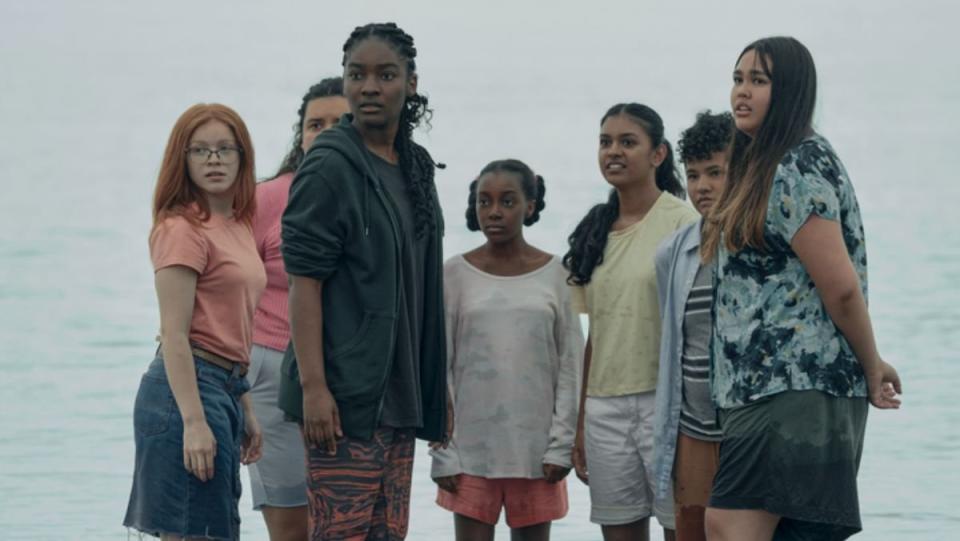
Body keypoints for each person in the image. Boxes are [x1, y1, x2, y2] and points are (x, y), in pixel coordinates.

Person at [700, 37, 902, 541]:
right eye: (738, 78)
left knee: (728, 527)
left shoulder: (797, 166)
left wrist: (873, 363)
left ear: (789, 91)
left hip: (793, 386)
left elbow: (841, 288)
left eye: (759, 81)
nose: (741, 93)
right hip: (771, 390)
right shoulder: (770, 162)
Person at [277, 22, 448, 541]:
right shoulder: (329, 166)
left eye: (385, 74)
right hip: (343, 396)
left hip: (398, 393)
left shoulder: (415, 165)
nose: (370, 86)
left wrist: (435, 385)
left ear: (410, 83)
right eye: (358, 74)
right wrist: (314, 389)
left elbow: (420, 286)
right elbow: (304, 283)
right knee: (339, 533)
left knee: (386, 534)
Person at [123, 103, 265, 541]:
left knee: (217, 528)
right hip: (184, 392)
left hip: (226, 386)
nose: (214, 159)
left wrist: (244, 405)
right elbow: (175, 335)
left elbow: (231, 325)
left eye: (225, 148)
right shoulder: (181, 229)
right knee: (194, 532)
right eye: (200, 151)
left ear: (242, 156)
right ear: (182, 160)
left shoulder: (237, 224)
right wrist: (194, 422)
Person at [565, 103, 699, 541]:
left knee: (681, 529)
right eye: (605, 142)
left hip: (668, 405)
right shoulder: (596, 230)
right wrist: (582, 421)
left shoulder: (683, 223)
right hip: (604, 408)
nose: (613, 152)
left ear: (658, 154)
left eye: (628, 142)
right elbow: (595, 336)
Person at [431, 159, 583, 541]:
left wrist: (561, 447)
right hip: (469, 453)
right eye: (484, 202)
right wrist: (444, 452)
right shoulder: (454, 274)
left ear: (530, 206)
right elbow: (439, 367)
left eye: (507, 201)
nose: (494, 212)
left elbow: (571, 366)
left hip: (537, 453)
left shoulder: (557, 274)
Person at [246, 77, 349, 541]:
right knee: (291, 527)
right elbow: (225, 279)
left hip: (348, 378)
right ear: (300, 134)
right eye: (314, 124)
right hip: (270, 371)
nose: (325, 132)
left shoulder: (379, 195)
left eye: (338, 122)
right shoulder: (268, 198)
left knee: (348, 525)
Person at [651, 111, 734, 541]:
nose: (702, 186)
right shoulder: (673, 252)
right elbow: (674, 344)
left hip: (744, 427)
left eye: (716, 173)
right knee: (691, 531)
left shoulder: (758, 247)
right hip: (692, 425)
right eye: (695, 174)